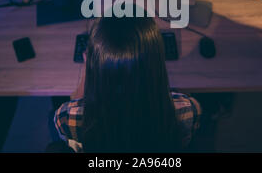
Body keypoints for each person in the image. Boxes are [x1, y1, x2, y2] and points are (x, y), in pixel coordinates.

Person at [54, 15, 201, 152]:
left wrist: (89, 69)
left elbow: (76, 101)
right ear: (158, 59)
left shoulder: (66, 117)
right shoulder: (189, 109)